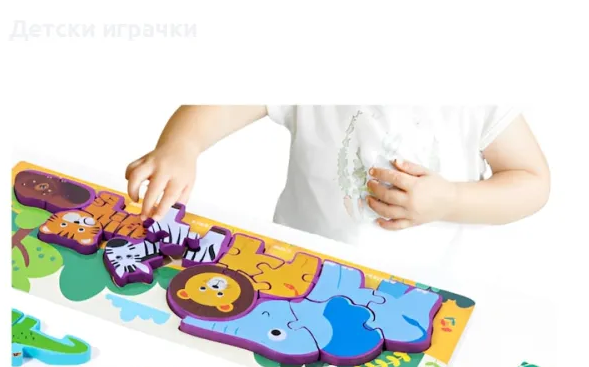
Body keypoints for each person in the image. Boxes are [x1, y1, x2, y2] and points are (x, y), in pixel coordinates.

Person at [125, 106, 549, 250]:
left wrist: (452, 200)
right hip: (297, 271)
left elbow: (531, 181)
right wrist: (182, 145)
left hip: (424, 297)